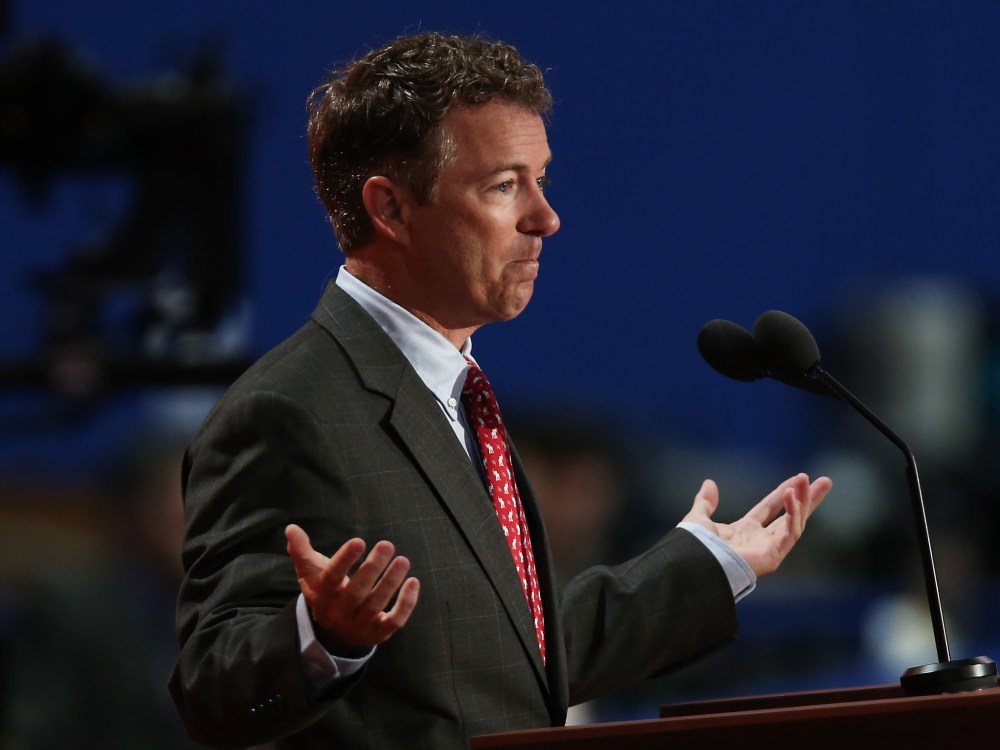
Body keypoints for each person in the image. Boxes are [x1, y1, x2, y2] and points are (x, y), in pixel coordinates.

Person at [169, 31, 832, 749]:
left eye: (541, 179)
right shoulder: (286, 412)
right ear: (391, 210)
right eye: (504, 186)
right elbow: (213, 691)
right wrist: (322, 637)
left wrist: (709, 564)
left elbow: (512, 659)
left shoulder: (456, 392)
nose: (546, 218)